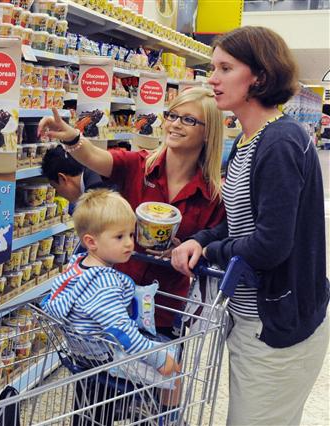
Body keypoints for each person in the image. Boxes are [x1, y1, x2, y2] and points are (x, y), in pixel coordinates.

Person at [171, 26, 329, 426]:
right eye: (213, 68)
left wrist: (209, 251)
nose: (212, 78)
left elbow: (271, 244)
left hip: (278, 323)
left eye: (225, 68)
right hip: (249, 317)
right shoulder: (246, 142)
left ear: (258, 76)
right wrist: (201, 239)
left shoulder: (280, 142)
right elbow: (237, 222)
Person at [38, 87, 226, 338]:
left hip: (163, 308)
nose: (176, 124)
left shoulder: (212, 194)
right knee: (99, 376)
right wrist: (71, 137)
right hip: (111, 300)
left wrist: (191, 246)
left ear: (208, 133)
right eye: (172, 116)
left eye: (189, 120)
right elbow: (96, 157)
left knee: (156, 372)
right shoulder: (138, 165)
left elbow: (217, 238)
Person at [41, 189, 180, 374]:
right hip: (107, 359)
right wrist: (159, 359)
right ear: (91, 242)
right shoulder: (104, 284)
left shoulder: (78, 264)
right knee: (176, 367)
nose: (130, 243)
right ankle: (168, 402)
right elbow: (121, 331)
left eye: (131, 234)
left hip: (84, 354)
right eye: (119, 237)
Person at [41, 145, 108, 204]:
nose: (58, 194)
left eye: (55, 187)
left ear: (62, 178)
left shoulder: (97, 197)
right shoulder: (91, 175)